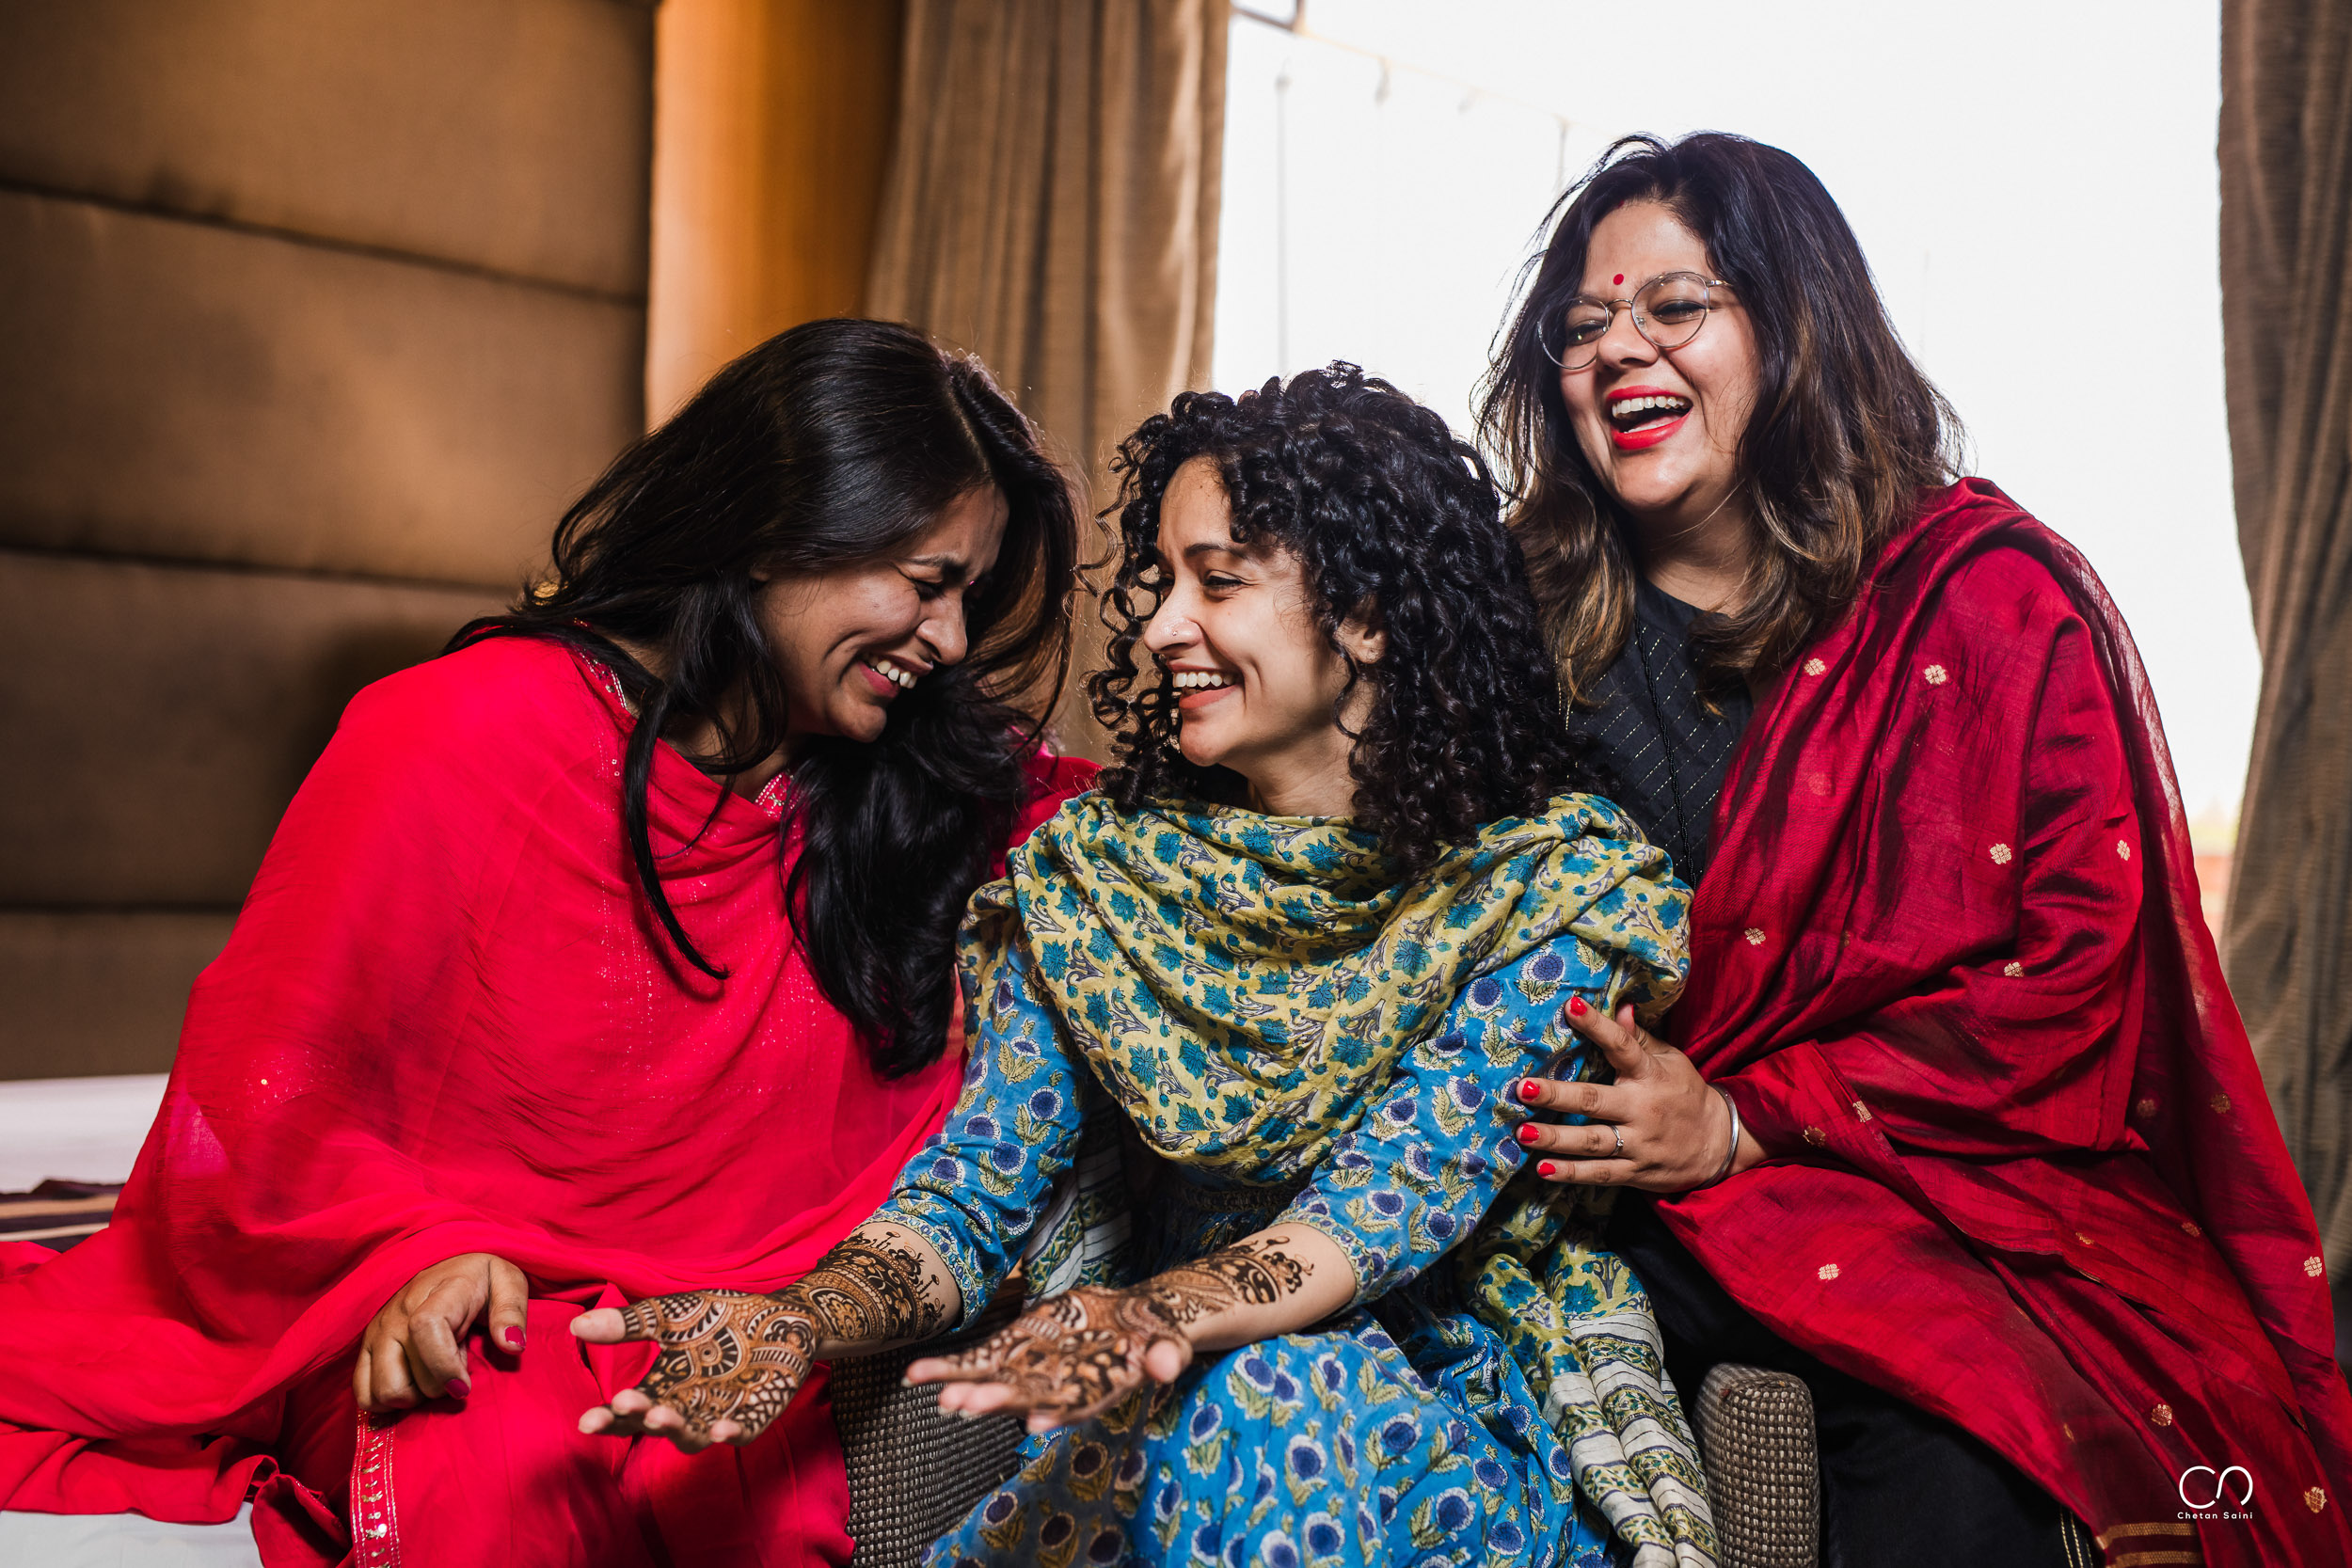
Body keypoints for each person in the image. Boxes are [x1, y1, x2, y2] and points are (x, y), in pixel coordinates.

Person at [570, 365, 1722, 1567]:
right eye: (1161, 580)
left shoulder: (1544, 889)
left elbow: (1379, 1209)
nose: (1164, 626)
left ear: (1370, 614)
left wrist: (1148, 1309)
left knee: (1284, 1382)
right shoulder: (1096, 883)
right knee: (1247, 1394)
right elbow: (973, 1194)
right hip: (1165, 1430)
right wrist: (798, 1320)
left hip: (1432, 1430)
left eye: (1216, 581)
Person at [0, 319, 1094, 1567]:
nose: (947, 640)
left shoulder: (925, 788)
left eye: (967, 597)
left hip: (759, 1313)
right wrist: (419, 1255)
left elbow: (1165, 843)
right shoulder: (454, 736)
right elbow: (262, 1109)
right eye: (925, 580)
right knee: (495, 1461)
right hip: (476, 1308)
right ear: (777, 529)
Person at [1485, 132, 2352, 1567]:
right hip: (1602, 1187)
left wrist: (1743, 1117)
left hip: (1944, 1173)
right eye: (1581, 327)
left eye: (1675, 305)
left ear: (1794, 323)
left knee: (1981, 1442)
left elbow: (2071, 978)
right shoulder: (1513, 625)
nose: (1618, 347)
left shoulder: (1986, 605)